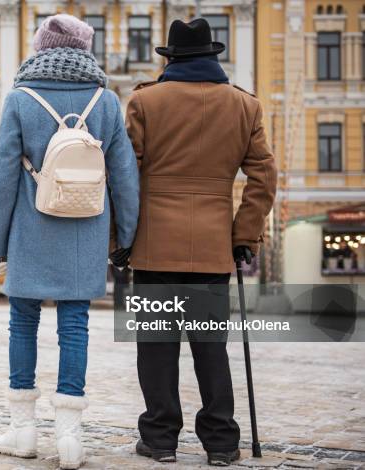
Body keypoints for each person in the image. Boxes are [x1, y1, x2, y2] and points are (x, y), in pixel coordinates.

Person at [0, 14, 139, 469]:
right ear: (84, 50)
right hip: (85, 232)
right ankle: (70, 437)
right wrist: (125, 238)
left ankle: (23, 430)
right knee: (75, 327)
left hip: (28, 231)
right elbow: (125, 177)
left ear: (41, 47)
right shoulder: (106, 101)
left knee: (22, 324)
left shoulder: (20, 99)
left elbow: (2, 179)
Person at [123, 19, 277, 466]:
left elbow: (124, 176)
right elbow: (263, 176)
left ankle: (160, 438)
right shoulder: (245, 106)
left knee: (156, 347)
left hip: (153, 247)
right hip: (212, 247)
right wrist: (244, 234)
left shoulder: (144, 101)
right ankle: (222, 443)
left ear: (169, 59)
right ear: (213, 57)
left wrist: (121, 238)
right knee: (211, 348)